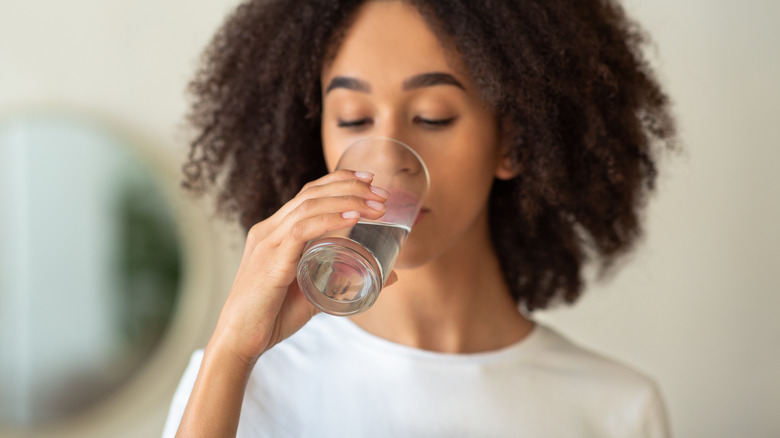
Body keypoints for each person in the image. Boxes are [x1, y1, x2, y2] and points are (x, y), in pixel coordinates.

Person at [162, 0, 676, 436]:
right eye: (353, 119)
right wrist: (232, 349)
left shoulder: (616, 410)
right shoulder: (239, 379)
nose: (389, 157)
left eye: (433, 116)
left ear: (513, 142)